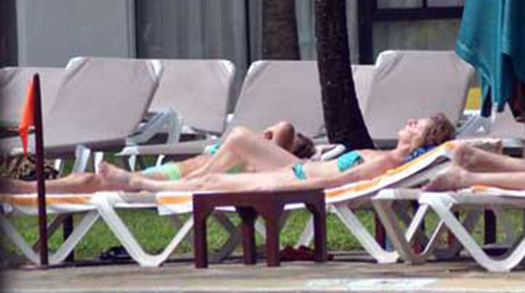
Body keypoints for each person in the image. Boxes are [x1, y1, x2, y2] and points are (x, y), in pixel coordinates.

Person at [95, 113, 457, 193]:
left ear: (420, 145)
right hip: (302, 170)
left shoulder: (389, 163)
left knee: (236, 141)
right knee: (219, 171)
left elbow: (348, 180)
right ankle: (139, 182)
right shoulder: (384, 155)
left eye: (417, 125)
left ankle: (139, 183)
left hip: (302, 178)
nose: (409, 121)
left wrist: (308, 190)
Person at [0, 121, 313, 194]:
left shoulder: (262, 159)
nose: (267, 134)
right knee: (93, 181)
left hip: (179, 181)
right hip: (175, 173)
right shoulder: (244, 150)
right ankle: (23, 188)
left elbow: (285, 129)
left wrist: (276, 137)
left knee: (92, 181)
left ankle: (22, 189)